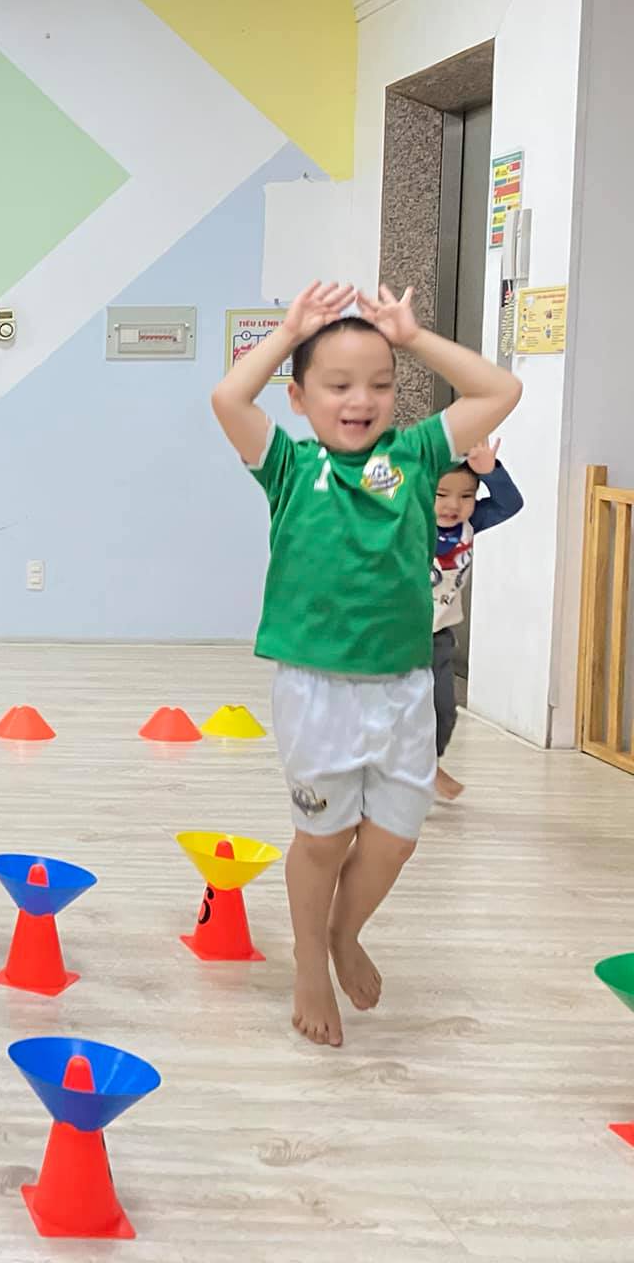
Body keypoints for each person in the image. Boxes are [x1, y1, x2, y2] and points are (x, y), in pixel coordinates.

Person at [211, 281, 521, 1048]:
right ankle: (309, 959)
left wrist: (412, 338)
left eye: (381, 384)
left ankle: (343, 932)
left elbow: (499, 390)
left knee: (395, 838)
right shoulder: (289, 467)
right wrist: (288, 333)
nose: (362, 400)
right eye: (340, 385)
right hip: (317, 691)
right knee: (323, 840)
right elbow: (228, 398)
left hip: (405, 685)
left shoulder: (412, 457)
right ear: (300, 397)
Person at [430, 437, 524, 801]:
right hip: (396, 635)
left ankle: (424, 765)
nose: (454, 505)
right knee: (398, 712)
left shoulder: (470, 524)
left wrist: (491, 472)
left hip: (438, 637)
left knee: (444, 711)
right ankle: (410, 773)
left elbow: (510, 503)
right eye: (441, 494)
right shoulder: (411, 523)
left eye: (466, 495)